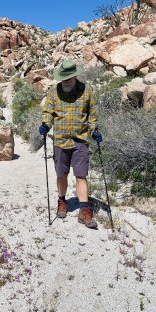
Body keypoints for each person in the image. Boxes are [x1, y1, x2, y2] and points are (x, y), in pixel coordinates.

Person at [39, 60, 102, 229]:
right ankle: (62, 201)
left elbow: (92, 114)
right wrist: (46, 124)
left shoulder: (86, 91)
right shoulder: (54, 92)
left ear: (75, 76)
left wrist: (95, 129)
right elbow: (48, 112)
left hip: (80, 139)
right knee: (61, 174)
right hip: (60, 139)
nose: (65, 81)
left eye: (68, 77)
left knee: (81, 175)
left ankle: (84, 211)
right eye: (63, 78)